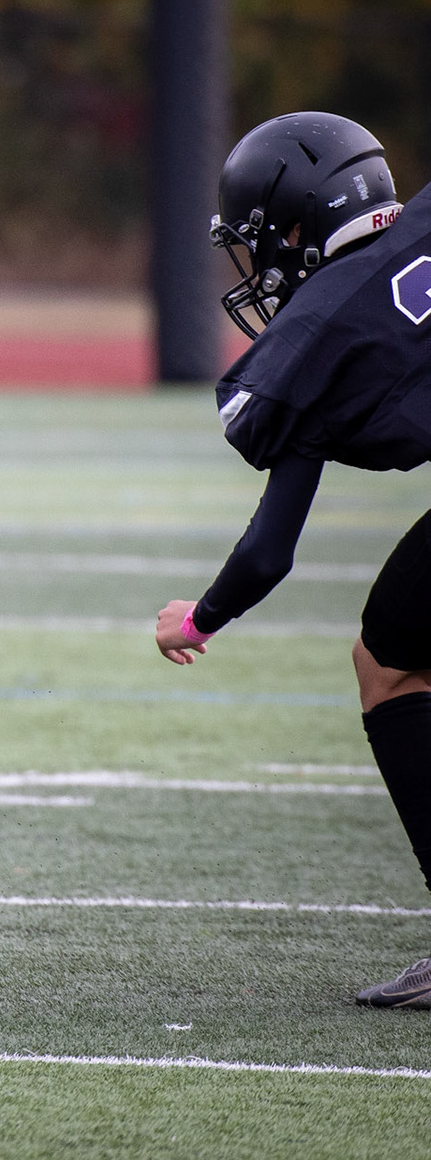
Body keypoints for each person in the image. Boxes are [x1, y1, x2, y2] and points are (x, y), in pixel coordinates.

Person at [154, 110, 431, 1011]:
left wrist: (197, 618)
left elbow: (270, 551)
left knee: (389, 663)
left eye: (263, 240)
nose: (260, 263)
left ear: (301, 225)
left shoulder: (322, 324)